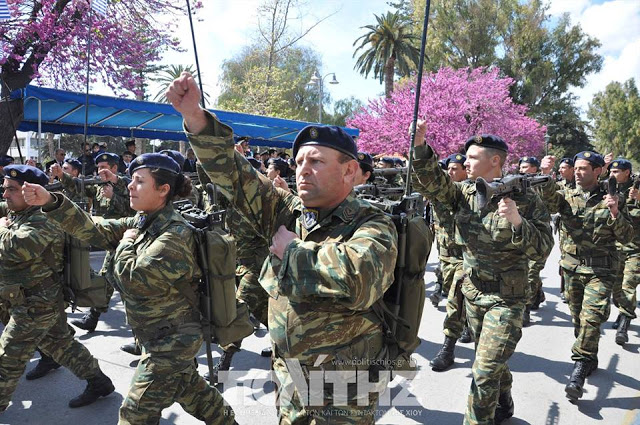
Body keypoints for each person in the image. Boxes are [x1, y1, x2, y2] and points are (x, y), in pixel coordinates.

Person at [168, 71, 398, 424]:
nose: (303, 170)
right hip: (290, 372)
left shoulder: (372, 222)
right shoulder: (289, 211)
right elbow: (235, 175)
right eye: (300, 162)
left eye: (317, 161)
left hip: (342, 385)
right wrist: (195, 117)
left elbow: (358, 278)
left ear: (351, 171)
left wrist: (292, 251)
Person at [24, 153, 236, 424]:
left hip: (170, 344)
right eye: (131, 180)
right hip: (159, 336)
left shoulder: (174, 235)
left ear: (163, 190)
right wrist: (51, 201)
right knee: (198, 396)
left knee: (134, 415)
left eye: (139, 181)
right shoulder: (145, 221)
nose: (130, 186)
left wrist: (124, 243)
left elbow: (130, 279)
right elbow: (94, 229)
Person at [412, 123, 553, 424]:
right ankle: (504, 401)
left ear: (495, 161)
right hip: (474, 294)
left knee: (484, 371)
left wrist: (518, 222)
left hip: (506, 299)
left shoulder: (526, 199)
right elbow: (431, 183)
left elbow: (542, 248)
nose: (465, 162)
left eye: (472, 157)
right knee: (490, 361)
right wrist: (421, 146)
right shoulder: (462, 193)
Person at [0, 165, 114, 411]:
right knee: (60, 345)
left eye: (11, 190)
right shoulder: (19, 211)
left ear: (30, 192)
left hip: (36, 304)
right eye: (4, 189)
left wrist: (1, 227)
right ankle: (99, 382)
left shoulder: (44, 218)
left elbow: (15, 248)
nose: (5, 195)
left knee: (6, 361)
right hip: (29, 299)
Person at [539, 152, 632, 402]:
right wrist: (545, 174)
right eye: (576, 168)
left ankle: (578, 370)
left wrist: (614, 213)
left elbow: (626, 237)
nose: (577, 172)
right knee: (579, 319)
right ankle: (589, 357)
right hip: (571, 269)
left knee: (591, 318)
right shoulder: (566, 195)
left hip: (600, 271)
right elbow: (548, 200)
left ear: (598, 171)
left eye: (583, 169)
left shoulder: (614, 198)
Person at [429, 153, 472, 372]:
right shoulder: (441, 192)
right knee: (454, 295)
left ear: (466, 170)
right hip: (446, 256)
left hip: (466, 257)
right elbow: (425, 181)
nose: (451, 172)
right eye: (449, 169)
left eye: (456, 168)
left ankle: (448, 348)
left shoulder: (471, 193)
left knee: (455, 301)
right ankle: (468, 323)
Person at [607, 159, 640, 346]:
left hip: (636, 249)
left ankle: (624, 325)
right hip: (615, 249)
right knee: (616, 288)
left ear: (627, 172)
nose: (613, 174)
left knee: (628, 286)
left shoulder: (637, 188)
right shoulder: (610, 188)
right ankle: (622, 312)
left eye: (617, 171)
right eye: (611, 170)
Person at [517, 156, 549, 325]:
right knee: (528, 273)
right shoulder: (515, 185)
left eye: (527, 167)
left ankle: (526, 309)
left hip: (538, 236)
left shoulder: (543, 185)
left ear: (535, 169)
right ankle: (538, 293)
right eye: (521, 167)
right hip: (520, 236)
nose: (523, 170)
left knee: (531, 273)